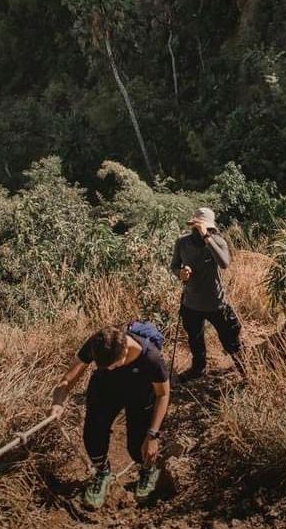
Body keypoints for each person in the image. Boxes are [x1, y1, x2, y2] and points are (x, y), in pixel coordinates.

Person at [50, 325, 170, 509]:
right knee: (93, 434)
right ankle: (102, 473)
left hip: (139, 391)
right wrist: (58, 402)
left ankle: (147, 469)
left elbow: (163, 394)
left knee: (138, 446)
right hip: (105, 388)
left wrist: (152, 435)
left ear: (125, 352)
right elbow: (68, 377)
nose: (110, 368)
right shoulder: (97, 343)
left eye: (113, 365)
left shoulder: (151, 358)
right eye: (104, 366)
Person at [170, 207, 243, 382]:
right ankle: (198, 368)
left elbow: (224, 263)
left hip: (216, 303)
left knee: (231, 341)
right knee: (195, 341)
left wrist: (207, 237)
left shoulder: (218, 242)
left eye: (202, 227)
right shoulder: (182, 242)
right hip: (191, 303)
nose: (198, 231)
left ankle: (244, 369)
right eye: (195, 227)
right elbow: (174, 266)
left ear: (211, 228)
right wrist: (180, 273)